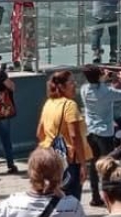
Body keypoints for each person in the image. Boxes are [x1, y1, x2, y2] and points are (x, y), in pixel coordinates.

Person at [79, 65, 121, 207]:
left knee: (94, 163)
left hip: (90, 131)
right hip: (104, 133)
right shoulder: (106, 92)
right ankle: (110, 194)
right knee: (109, 165)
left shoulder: (84, 89)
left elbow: (97, 87)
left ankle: (95, 196)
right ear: (99, 76)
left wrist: (102, 78)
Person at [37, 69, 92, 201]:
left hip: (51, 158)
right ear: (61, 86)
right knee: (71, 200)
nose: (75, 86)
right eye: (72, 83)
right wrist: (83, 164)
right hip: (69, 160)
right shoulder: (70, 105)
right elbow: (74, 136)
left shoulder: (48, 103)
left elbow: (39, 132)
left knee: (54, 197)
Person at [11, 0, 39, 71]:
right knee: (16, 36)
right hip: (17, 12)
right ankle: (17, 61)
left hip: (27, 11)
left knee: (28, 36)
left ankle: (27, 61)